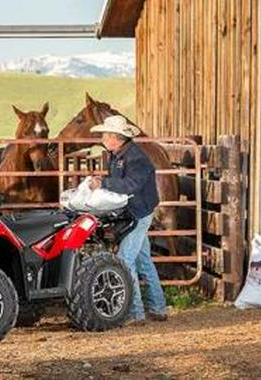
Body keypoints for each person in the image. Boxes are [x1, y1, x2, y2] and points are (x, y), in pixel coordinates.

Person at [89, 115, 167, 325]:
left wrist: (104, 183)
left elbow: (131, 185)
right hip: (137, 210)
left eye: (106, 134)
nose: (103, 138)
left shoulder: (135, 158)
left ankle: (135, 312)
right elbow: (127, 184)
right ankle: (158, 307)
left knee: (125, 259)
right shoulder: (122, 155)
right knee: (143, 260)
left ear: (116, 137)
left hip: (138, 213)